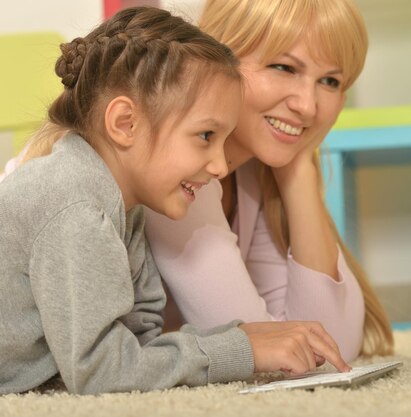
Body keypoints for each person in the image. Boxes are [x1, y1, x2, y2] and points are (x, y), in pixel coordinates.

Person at [0, 6, 349, 395]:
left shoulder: (122, 206)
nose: (219, 166)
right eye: (205, 136)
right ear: (125, 124)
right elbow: (98, 371)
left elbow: (139, 345)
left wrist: (244, 337)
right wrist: (242, 348)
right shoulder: (77, 208)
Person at [143, 0, 394, 362]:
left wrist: (298, 173)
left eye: (330, 81)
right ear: (219, 60)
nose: (307, 106)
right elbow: (250, 345)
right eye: (284, 67)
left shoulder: (249, 174)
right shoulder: (174, 164)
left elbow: (329, 346)